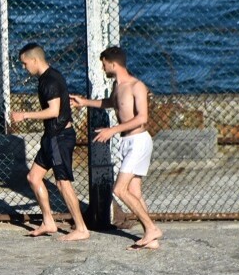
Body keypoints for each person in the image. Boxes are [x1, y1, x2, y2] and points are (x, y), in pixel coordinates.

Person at [71, 46, 162, 250]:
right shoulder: (117, 86)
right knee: (134, 192)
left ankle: (151, 228)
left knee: (120, 190)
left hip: (139, 141)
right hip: (128, 142)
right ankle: (151, 237)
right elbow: (111, 103)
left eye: (103, 63)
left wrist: (112, 130)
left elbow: (142, 118)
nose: (102, 68)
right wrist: (83, 102)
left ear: (112, 63)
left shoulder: (136, 85)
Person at [11, 43, 90, 241]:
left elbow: (54, 111)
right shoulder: (49, 77)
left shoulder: (50, 81)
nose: (24, 67)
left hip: (59, 138)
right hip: (51, 136)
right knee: (33, 177)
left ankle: (81, 228)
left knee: (63, 183)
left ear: (35, 60)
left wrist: (25, 115)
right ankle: (48, 221)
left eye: (24, 63)